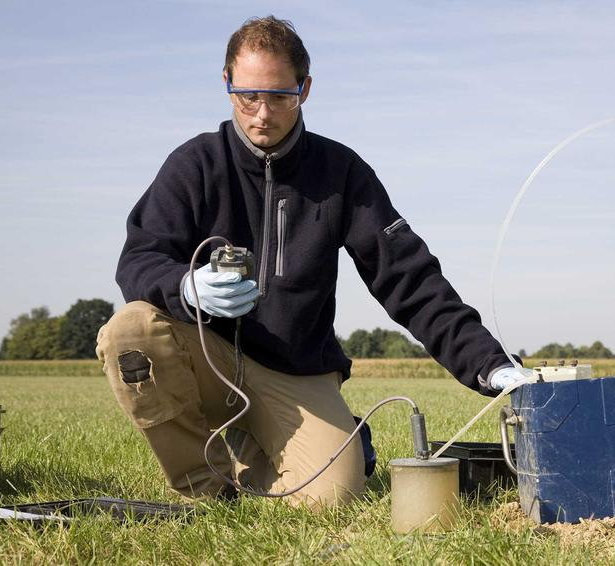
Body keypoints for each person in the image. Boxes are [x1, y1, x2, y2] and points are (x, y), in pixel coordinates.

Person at [96, 15, 527, 508]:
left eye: (280, 96)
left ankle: (307, 442)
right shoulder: (194, 165)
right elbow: (138, 259)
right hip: (208, 357)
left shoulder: (341, 172)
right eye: (247, 95)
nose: (262, 113)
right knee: (129, 331)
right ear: (226, 83)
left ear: (305, 88)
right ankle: (207, 489)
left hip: (295, 372)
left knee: (331, 497)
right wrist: (185, 285)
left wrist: (491, 366)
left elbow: (409, 279)